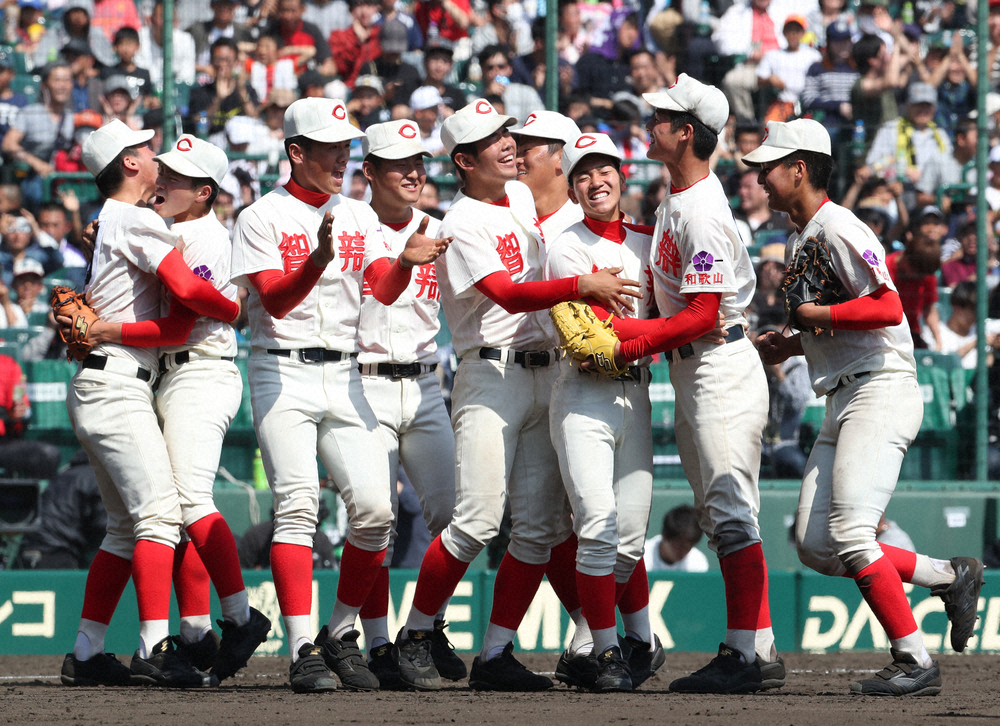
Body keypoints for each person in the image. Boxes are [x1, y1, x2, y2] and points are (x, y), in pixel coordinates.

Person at [392, 98, 640, 692]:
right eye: (492, 140)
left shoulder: (524, 199)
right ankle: (417, 632)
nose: (508, 144)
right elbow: (505, 293)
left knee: (536, 529)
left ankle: (495, 654)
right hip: (490, 374)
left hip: (547, 371)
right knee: (475, 520)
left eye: (508, 134)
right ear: (463, 160)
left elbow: (568, 194)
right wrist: (582, 283)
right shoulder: (460, 220)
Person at [747, 117, 985, 695]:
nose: (758, 178)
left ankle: (914, 661)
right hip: (843, 393)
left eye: (768, 168)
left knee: (853, 533)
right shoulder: (804, 235)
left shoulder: (839, 226)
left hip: (880, 387)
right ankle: (947, 575)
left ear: (798, 169)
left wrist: (818, 319)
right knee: (816, 544)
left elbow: (887, 308)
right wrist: (794, 341)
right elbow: (833, 320)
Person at [229, 97, 451, 694]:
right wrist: (318, 259)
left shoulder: (355, 213)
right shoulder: (260, 217)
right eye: (329, 146)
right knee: (298, 507)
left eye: (345, 145)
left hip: (347, 371)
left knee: (376, 513)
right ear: (295, 152)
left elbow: (380, 286)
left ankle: (337, 631)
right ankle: (302, 648)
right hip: (281, 370)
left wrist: (405, 262)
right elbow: (272, 301)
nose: (341, 155)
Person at [76, 133, 273, 681]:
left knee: (170, 508)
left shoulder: (205, 237)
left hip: (197, 370)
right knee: (156, 517)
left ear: (205, 192)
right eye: (162, 170)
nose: (164, 180)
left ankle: (212, 624)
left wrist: (231, 307)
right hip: (141, 377)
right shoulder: (148, 223)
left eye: (178, 178)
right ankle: (186, 633)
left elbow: (188, 313)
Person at [639, 74, 783, 694]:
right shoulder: (677, 199)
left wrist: (631, 340)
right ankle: (762, 647)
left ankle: (744, 655)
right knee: (722, 512)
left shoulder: (702, 210)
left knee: (730, 516)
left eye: (661, 120)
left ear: (688, 133)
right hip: (697, 366)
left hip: (718, 362)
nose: (651, 126)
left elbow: (701, 312)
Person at [545, 132, 659, 692]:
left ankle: (584, 644)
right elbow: (592, 340)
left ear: (622, 175)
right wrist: (667, 331)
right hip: (584, 393)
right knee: (596, 524)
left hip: (635, 393)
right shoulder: (564, 245)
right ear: (571, 186)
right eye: (584, 174)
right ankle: (609, 650)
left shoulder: (646, 239)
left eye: (605, 169)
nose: (597, 181)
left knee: (632, 536)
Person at [353, 119, 465, 688]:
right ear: (369, 171)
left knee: (456, 515)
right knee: (377, 520)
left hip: (424, 386)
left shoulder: (440, 228)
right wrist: (405, 258)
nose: (413, 172)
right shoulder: (351, 227)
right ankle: (375, 644)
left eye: (418, 161)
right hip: (364, 382)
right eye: (398, 163)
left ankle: (424, 628)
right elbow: (378, 286)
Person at [15, 450, 106, 569]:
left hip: (30, 546)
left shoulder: (64, 474)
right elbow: (106, 527)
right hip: (58, 552)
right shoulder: (98, 478)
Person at [885, 205, 945, 350]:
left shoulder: (927, 275)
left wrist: (938, 341)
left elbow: (929, 309)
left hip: (910, 336)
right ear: (906, 257)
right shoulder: (884, 269)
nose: (920, 277)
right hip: (883, 335)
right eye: (918, 272)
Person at [643, 505, 710, 573]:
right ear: (665, 536)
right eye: (678, 546)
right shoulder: (641, 557)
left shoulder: (698, 562)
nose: (682, 552)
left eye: (687, 547)